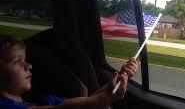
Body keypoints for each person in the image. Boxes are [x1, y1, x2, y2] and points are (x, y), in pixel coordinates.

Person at [0, 36, 138, 109]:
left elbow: (86, 103)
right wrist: (104, 99)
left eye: (24, 60)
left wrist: (120, 80)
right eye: (17, 61)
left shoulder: (42, 100)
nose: (28, 65)